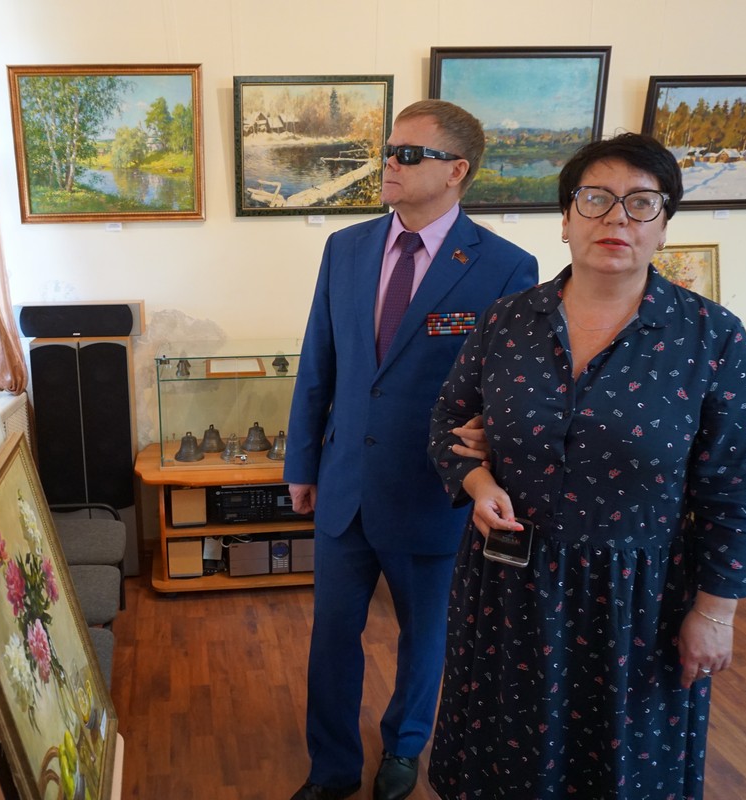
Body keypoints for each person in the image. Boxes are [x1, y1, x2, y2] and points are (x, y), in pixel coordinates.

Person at [426, 132, 746, 798]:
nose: (617, 217)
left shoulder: (711, 336)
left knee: (617, 769)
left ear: (663, 226)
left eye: (641, 203)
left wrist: (716, 613)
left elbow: (737, 488)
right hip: (509, 589)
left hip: (636, 603)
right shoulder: (508, 322)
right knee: (504, 758)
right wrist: (478, 480)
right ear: (565, 219)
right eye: (595, 199)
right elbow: (446, 423)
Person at [285, 99, 539, 800]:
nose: (388, 164)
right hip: (344, 484)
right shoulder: (346, 249)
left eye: (407, 154)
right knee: (332, 638)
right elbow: (318, 363)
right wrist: (302, 463)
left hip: (433, 492)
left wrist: (491, 455)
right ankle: (332, 767)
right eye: (387, 151)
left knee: (425, 636)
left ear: (456, 171)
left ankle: (404, 747)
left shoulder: (504, 267)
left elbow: (509, 388)